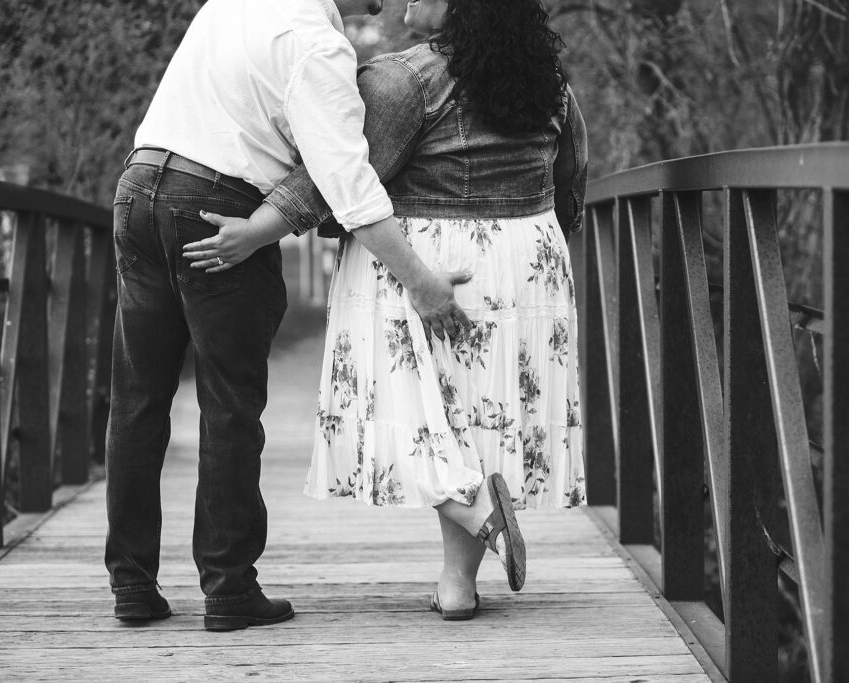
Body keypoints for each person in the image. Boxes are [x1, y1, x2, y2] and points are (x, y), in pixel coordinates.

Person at [184, 0, 589, 619]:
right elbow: (572, 181)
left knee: (396, 409)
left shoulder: (404, 78)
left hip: (421, 260)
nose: (403, 2)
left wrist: (259, 230)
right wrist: (536, 253)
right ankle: (458, 587)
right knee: (474, 424)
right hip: (526, 261)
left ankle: (477, 516)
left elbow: (334, 174)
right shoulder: (548, 82)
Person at [105, 0, 472, 632]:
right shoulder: (318, 47)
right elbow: (349, 187)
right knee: (229, 405)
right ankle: (227, 589)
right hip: (217, 206)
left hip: (138, 187)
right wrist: (422, 282)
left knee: (137, 400)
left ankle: (132, 586)